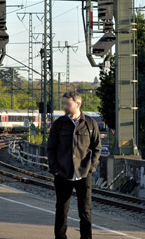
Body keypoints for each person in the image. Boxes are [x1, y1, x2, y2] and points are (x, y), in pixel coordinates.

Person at [47, 91, 101, 239]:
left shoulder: (90, 124)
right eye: (63, 103)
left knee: (85, 211)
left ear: (78, 104)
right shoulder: (59, 124)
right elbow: (50, 148)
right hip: (63, 174)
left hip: (83, 174)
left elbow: (97, 147)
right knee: (61, 210)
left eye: (67, 104)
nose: (64, 107)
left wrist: (91, 167)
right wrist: (55, 169)